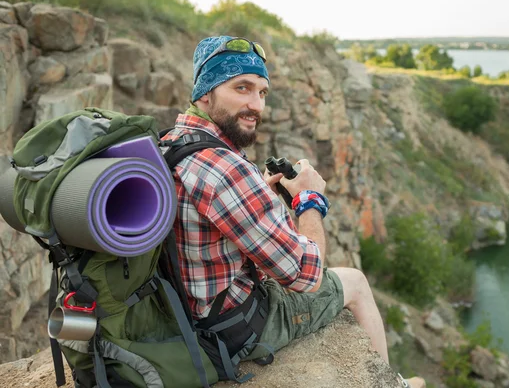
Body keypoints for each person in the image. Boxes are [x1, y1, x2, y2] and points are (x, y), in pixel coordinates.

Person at [162, 35, 425, 388]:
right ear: (205, 92)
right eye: (242, 88)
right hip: (230, 328)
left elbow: (211, 214)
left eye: (262, 92)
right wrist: (309, 201)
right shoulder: (225, 169)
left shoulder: (174, 141)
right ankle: (394, 385)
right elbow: (306, 275)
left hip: (187, 307)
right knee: (357, 283)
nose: (256, 105)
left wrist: (260, 195)